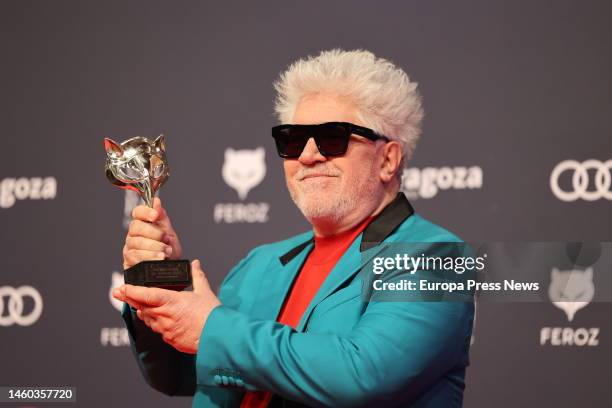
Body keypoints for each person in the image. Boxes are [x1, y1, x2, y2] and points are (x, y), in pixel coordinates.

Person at [113, 49, 474, 407]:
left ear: (388, 159)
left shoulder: (436, 258)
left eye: (334, 137)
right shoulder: (260, 264)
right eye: (293, 139)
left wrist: (212, 326)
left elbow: (361, 375)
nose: (307, 155)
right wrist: (163, 279)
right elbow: (179, 374)